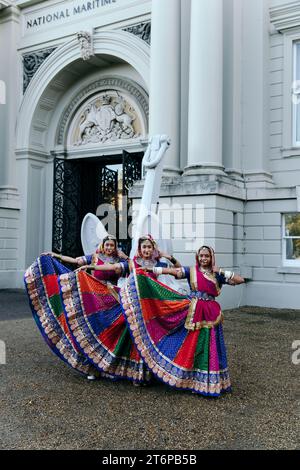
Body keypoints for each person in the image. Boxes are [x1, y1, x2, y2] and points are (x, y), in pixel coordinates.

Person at [121, 245, 245, 397]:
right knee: (193, 345)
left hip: (211, 314)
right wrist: (152, 270)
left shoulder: (217, 275)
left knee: (209, 345)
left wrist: (219, 271)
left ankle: (209, 382)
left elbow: (240, 280)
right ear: (197, 257)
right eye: (201, 256)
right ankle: (191, 379)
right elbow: (174, 271)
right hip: (193, 312)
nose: (203, 259)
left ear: (211, 258)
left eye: (206, 256)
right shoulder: (192, 271)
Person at [24, 235, 129, 380]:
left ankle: (110, 368)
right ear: (103, 246)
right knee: (90, 332)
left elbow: (133, 267)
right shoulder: (94, 257)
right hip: (93, 299)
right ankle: (92, 368)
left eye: (112, 245)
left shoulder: (120, 262)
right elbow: (76, 261)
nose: (109, 248)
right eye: (107, 245)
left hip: (112, 299)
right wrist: (55, 255)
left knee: (109, 334)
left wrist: (126, 256)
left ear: (115, 247)